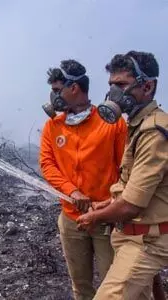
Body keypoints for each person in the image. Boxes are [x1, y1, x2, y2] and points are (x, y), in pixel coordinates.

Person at [76, 50, 168, 300]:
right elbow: (134, 186)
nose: (113, 93)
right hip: (132, 236)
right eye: (111, 85)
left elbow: (131, 206)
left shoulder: (154, 132)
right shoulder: (138, 124)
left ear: (147, 86)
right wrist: (109, 202)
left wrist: (95, 216)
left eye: (121, 85)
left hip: (146, 243)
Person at [39, 59, 128, 299]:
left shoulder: (112, 123)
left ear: (74, 88)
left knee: (115, 286)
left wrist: (110, 205)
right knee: (81, 286)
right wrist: (73, 192)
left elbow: (126, 169)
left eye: (58, 90)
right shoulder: (53, 126)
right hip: (71, 219)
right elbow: (48, 164)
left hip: (106, 220)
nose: (54, 95)